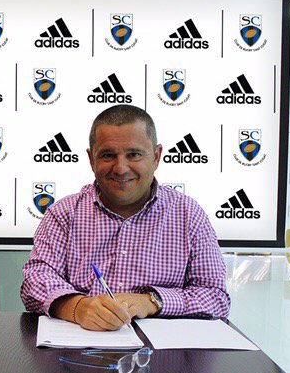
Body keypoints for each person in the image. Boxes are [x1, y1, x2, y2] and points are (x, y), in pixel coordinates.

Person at [21, 105, 230, 331]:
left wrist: (153, 302)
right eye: (108, 155)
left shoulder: (188, 215)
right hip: (80, 347)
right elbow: (34, 282)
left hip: (160, 350)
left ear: (156, 156)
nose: (121, 168)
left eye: (134, 155)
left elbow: (216, 297)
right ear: (91, 159)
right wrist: (76, 307)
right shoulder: (64, 213)